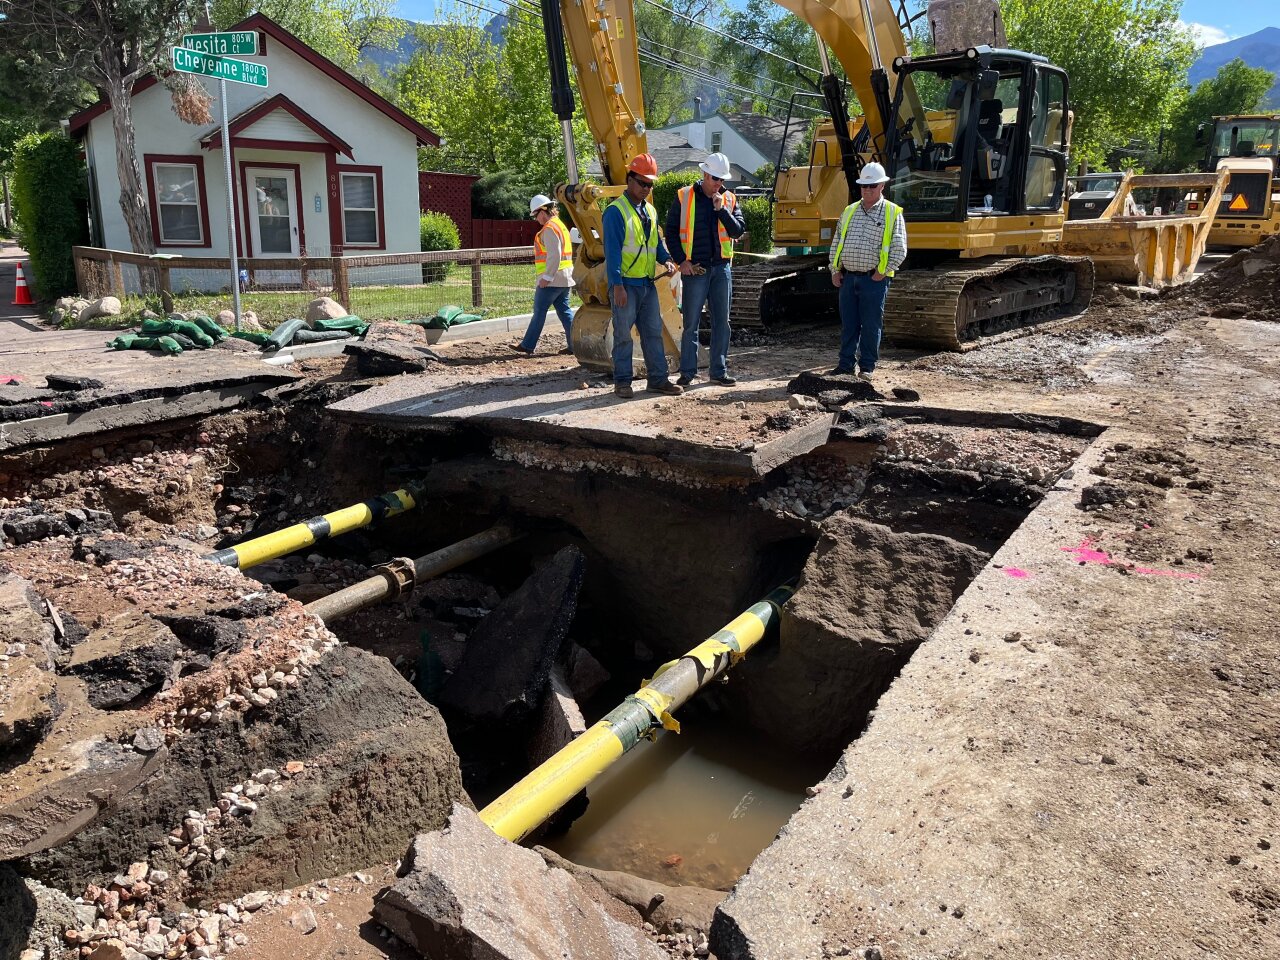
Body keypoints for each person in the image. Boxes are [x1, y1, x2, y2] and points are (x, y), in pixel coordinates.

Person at [603, 153, 681, 399]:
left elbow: (655, 244)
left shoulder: (650, 210)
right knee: (623, 335)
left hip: (647, 285)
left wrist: (666, 259)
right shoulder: (616, 211)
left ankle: (658, 380)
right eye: (642, 183)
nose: (646, 188)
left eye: (650, 184)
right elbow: (613, 252)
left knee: (653, 333)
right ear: (629, 180)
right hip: (625, 284)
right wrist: (617, 286)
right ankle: (623, 382)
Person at [665, 151, 746, 387]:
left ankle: (718, 371)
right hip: (696, 269)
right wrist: (682, 261)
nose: (718, 184)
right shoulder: (684, 196)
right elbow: (671, 232)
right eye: (714, 179)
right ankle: (688, 373)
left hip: (721, 269)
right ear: (704, 174)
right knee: (691, 324)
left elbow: (737, 231)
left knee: (722, 321)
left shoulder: (729, 200)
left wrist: (721, 210)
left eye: (722, 180)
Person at [828, 161, 907, 380]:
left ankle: (867, 367)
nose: (867, 190)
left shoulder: (892, 212)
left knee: (871, 324)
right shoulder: (850, 211)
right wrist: (835, 269)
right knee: (849, 325)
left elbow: (900, 249)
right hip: (849, 277)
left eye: (872, 186)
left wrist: (882, 272)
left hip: (873, 279)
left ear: (882, 186)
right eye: (864, 186)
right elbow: (837, 242)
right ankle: (845, 366)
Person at [516, 194, 575, 355]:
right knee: (564, 312)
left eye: (536, 215)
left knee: (539, 311)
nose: (536, 219)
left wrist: (547, 277)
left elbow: (554, 255)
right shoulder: (560, 225)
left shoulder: (549, 228)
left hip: (552, 280)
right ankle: (575, 345)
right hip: (565, 278)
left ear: (543, 211)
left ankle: (528, 345)